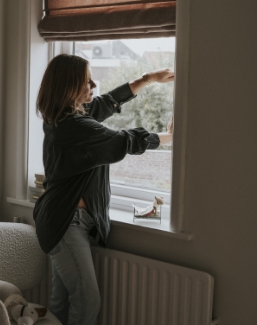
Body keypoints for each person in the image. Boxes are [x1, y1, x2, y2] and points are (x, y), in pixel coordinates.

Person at [33, 54, 174, 325]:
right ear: (69, 87)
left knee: (60, 304)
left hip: (60, 219)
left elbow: (106, 102)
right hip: (65, 223)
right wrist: (169, 137)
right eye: (86, 81)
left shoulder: (62, 117)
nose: (93, 84)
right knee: (88, 302)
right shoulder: (74, 127)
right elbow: (121, 141)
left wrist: (147, 79)